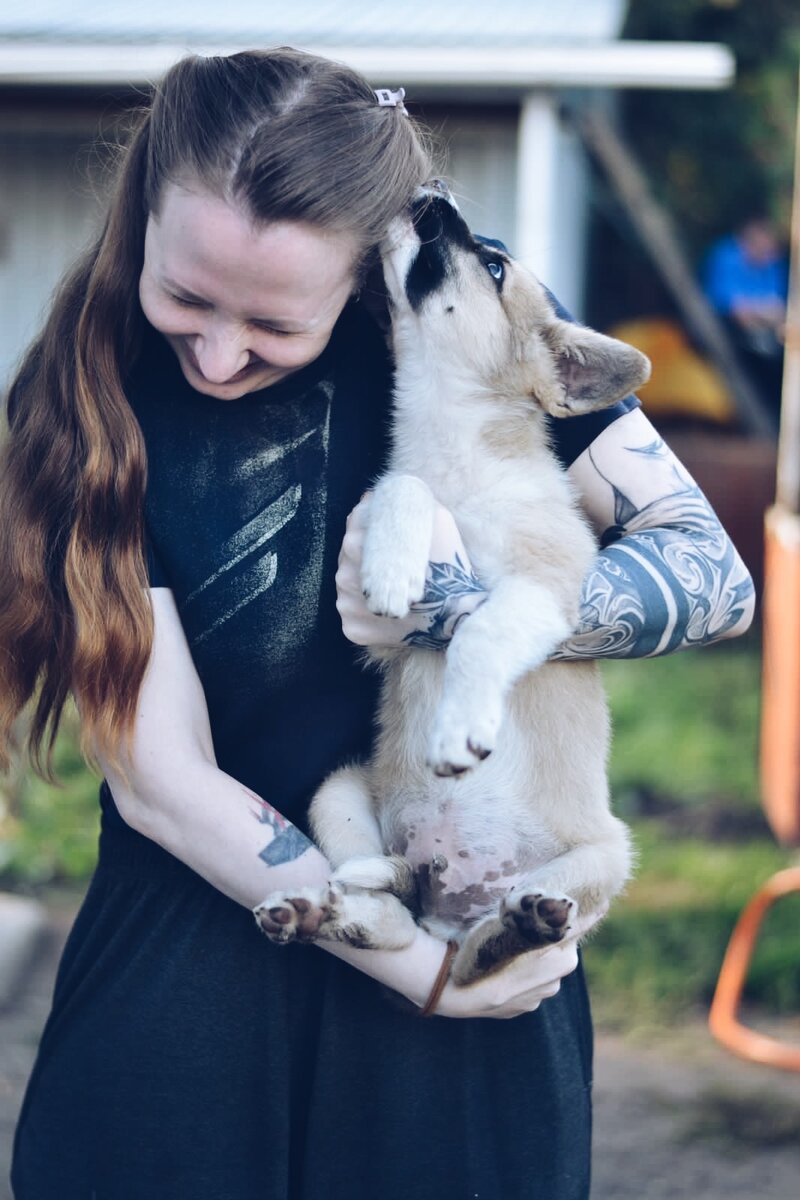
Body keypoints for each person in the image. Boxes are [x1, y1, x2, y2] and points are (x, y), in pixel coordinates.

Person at [0, 48, 754, 1200]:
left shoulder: (473, 327)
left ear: (361, 272)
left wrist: (475, 618)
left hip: (466, 989)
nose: (214, 352)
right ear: (143, 218)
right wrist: (417, 967)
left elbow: (711, 573)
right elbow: (159, 776)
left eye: (271, 322)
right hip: (196, 993)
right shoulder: (82, 394)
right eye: (184, 296)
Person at [702, 215, 789, 427]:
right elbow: (736, 311)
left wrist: (760, 312)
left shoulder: (770, 262)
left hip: (764, 333)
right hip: (729, 331)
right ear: (751, 237)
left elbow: (779, 308)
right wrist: (763, 312)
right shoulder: (727, 256)